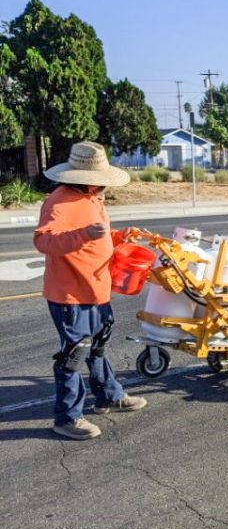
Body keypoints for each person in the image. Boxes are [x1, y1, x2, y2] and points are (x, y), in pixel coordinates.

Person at [34, 141, 147, 440]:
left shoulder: (93, 198)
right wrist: (83, 235)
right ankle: (67, 417)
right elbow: (44, 241)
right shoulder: (60, 201)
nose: (103, 185)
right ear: (84, 177)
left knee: (97, 346)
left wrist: (119, 236)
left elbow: (98, 235)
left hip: (97, 289)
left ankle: (109, 395)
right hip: (71, 294)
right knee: (74, 354)